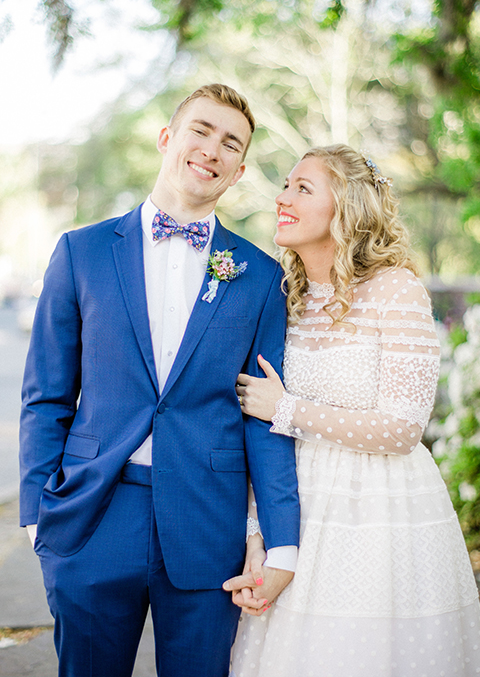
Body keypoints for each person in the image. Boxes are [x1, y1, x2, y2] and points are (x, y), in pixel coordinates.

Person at [19, 84, 301, 677]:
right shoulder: (80, 252)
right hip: (92, 518)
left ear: (240, 169)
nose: (212, 150)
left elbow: (265, 419)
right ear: (168, 138)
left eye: (231, 143)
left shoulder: (258, 276)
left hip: (207, 525)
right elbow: (46, 395)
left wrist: (281, 543)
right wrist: (36, 512)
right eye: (200, 130)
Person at [225, 144, 480, 676]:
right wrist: (257, 534)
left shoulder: (396, 290)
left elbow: (404, 428)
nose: (282, 197)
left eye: (302, 187)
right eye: (286, 185)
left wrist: (288, 408)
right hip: (295, 510)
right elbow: (263, 436)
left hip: (381, 516)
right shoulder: (283, 296)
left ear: (347, 207)